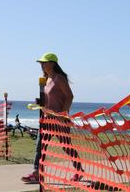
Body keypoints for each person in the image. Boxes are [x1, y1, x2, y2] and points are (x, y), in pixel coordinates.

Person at [22, 52, 84, 184]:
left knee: (66, 147)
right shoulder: (46, 79)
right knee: (40, 146)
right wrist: (41, 102)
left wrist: (63, 114)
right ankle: (37, 173)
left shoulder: (59, 78)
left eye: (44, 62)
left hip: (58, 119)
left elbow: (70, 96)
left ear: (52, 63)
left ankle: (79, 171)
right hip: (46, 119)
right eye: (41, 63)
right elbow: (50, 98)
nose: (42, 65)